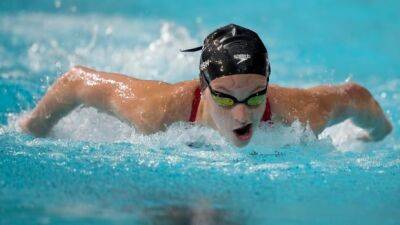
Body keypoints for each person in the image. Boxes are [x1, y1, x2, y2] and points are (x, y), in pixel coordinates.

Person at [20, 24, 392, 147]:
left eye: (256, 95)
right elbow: (75, 82)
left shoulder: (299, 117)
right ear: (204, 88)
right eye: (226, 99)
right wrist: (30, 131)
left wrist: (373, 141)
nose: (244, 113)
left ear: (268, 84)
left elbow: (355, 98)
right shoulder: (159, 113)